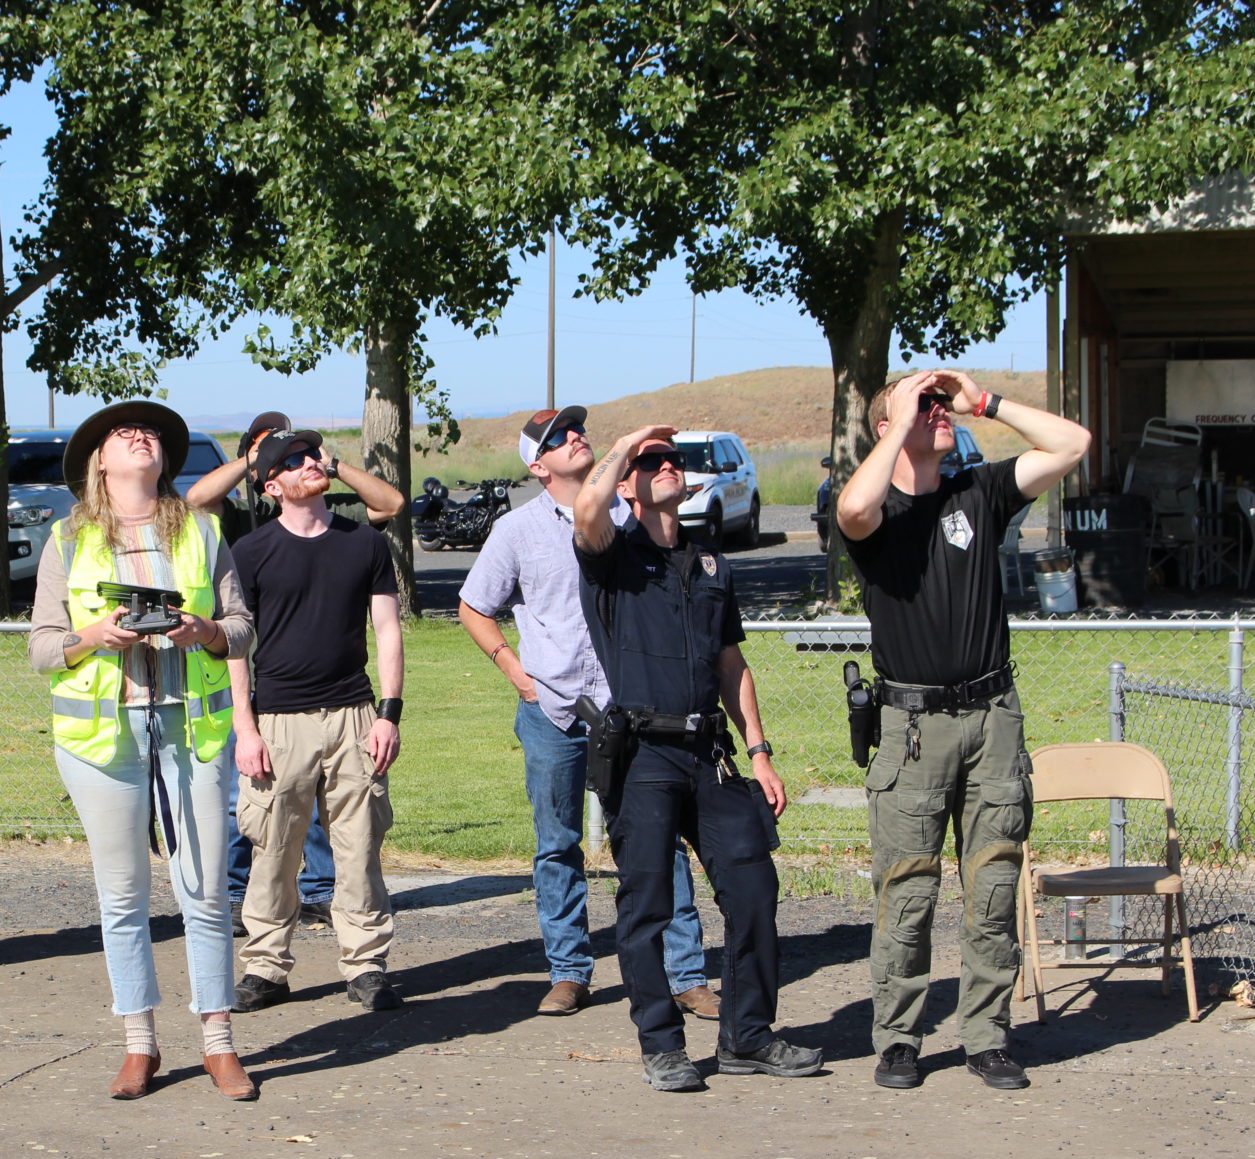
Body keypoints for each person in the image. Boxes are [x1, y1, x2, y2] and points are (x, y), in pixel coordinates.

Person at [835, 370, 1090, 1092]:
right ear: (886, 426)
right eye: (923, 406)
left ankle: (987, 1037)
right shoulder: (875, 510)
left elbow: (1073, 443)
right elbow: (853, 505)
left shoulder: (979, 491)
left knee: (994, 885)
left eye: (941, 405)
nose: (937, 412)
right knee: (907, 890)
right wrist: (900, 419)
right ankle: (899, 1040)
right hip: (913, 726)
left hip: (991, 718)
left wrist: (986, 403)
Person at [573, 425, 817, 1092]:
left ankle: (748, 1037)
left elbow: (731, 663)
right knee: (647, 904)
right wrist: (629, 441)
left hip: (709, 752)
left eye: (673, 459)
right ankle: (662, 1045)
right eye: (652, 461)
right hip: (644, 754)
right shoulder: (610, 554)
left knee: (754, 889)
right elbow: (588, 507)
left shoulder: (711, 563)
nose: (667, 465)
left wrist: (759, 751)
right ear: (627, 483)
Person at [29, 401, 258, 1101]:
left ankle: (219, 1042)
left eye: (151, 432)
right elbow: (42, 647)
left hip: (192, 733)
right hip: (102, 742)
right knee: (123, 895)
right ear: (99, 462)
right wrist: (94, 636)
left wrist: (203, 631)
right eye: (123, 433)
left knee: (205, 889)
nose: (141, 437)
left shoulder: (203, 531)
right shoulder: (67, 539)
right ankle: (139, 1044)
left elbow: (242, 628)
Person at [458, 405, 720, 1020]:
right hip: (553, 710)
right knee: (558, 845)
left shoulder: (633, 517)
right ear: (538, 465)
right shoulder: (516, 530)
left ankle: (685, 974)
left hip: (632, 710)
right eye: (558, 437)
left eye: (578, 430)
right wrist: (516, 672)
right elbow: (474, 606)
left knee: (659, 840)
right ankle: (569, 971)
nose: (576, 437)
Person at [229, 428, 405, 1014]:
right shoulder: (250, 552)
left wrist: (388, 713)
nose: (310, 463)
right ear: (271, 486)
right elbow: (236, 649)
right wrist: (246, 729)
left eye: (312, 455)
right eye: (293, 461)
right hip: (279, 722)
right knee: (274, 849)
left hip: (355, 716)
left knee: (359, 849)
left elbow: (387, 631)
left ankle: (366, 966)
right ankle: (265, 967)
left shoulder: (364, 543)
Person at [184, 412, 372, 933]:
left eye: (301, 450)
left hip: (317, 687)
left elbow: (390, 505)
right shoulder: (238, 523)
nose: (299, 459)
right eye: (279, 452)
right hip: (244, 668)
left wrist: (330, 465)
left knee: (314, 801)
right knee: (246, 797)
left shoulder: (323, 512)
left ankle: (318, 890)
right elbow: (196, 499)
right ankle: (237, 894)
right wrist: (254, 461)